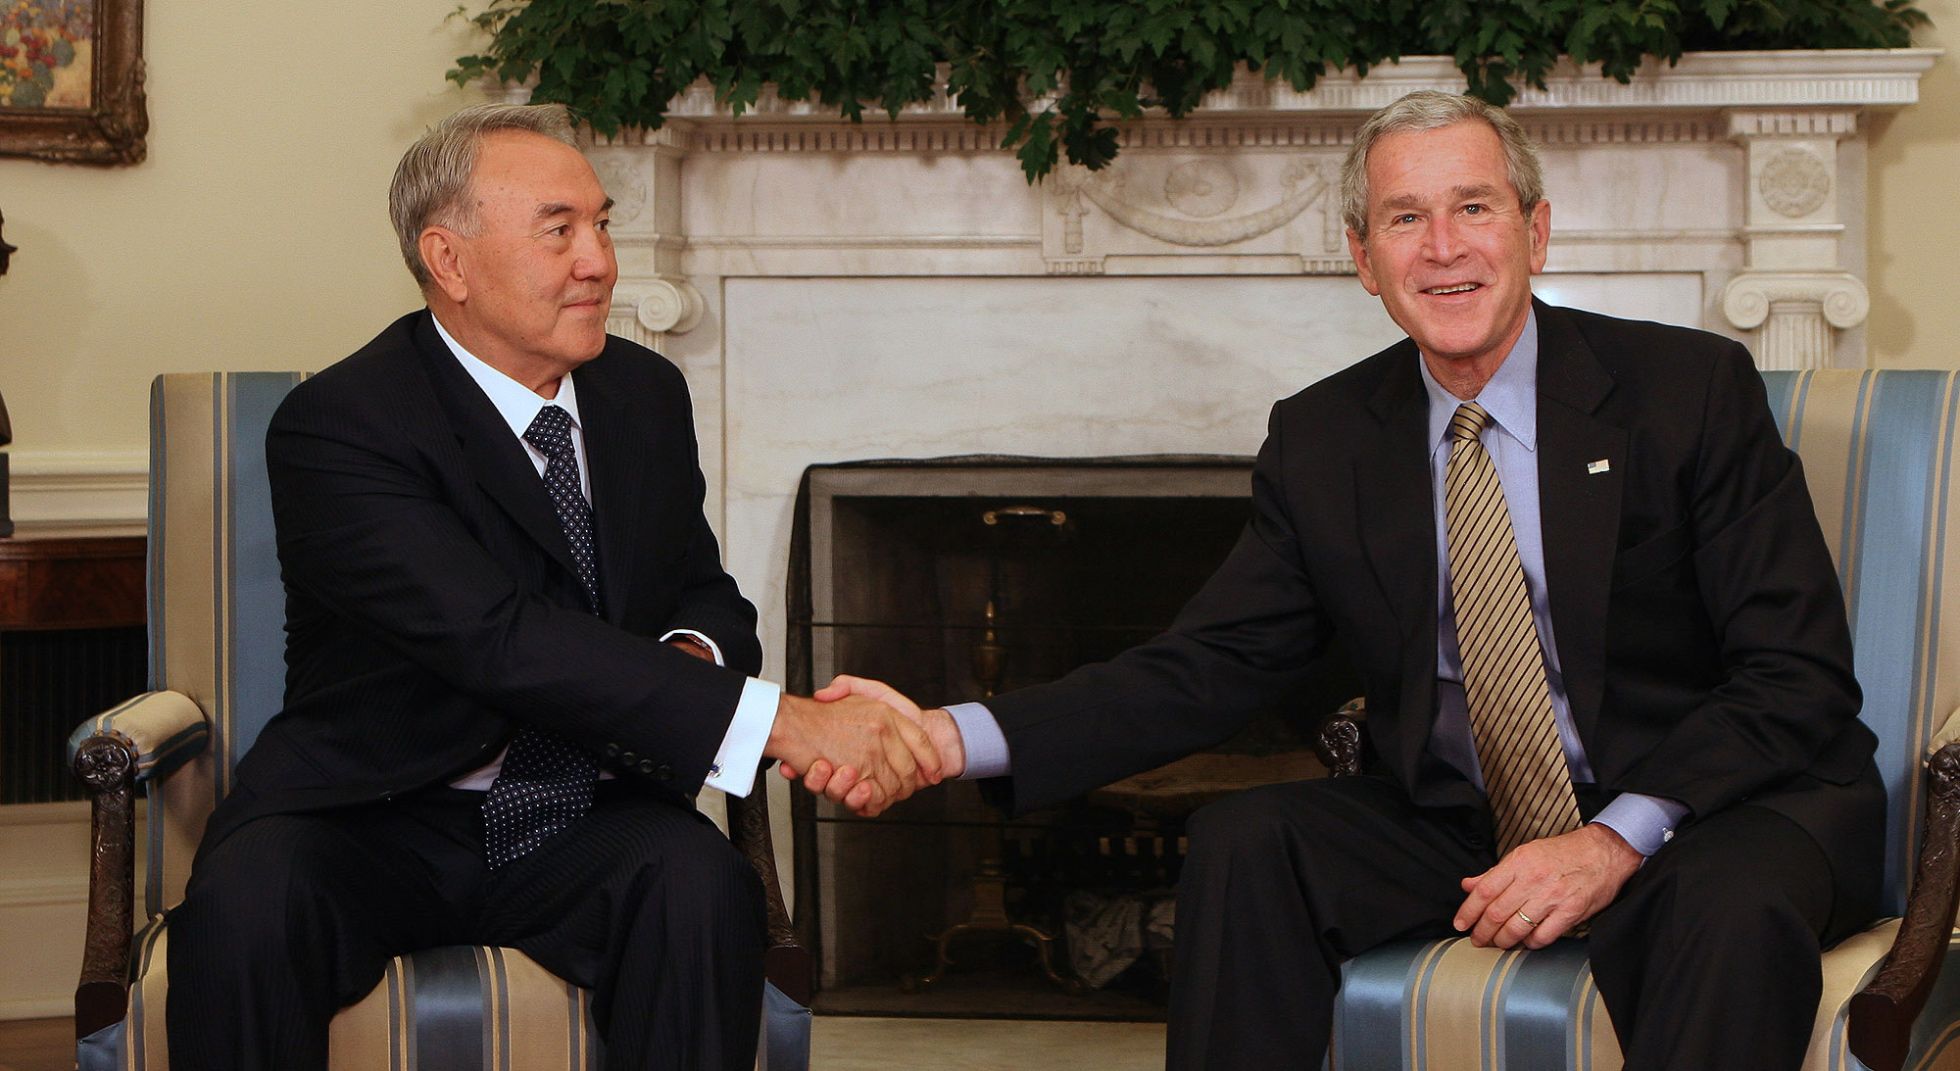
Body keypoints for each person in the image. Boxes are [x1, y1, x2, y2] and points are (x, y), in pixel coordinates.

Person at [799, 90, 1885, 1069]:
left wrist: (1613, 839)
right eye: (1405, 219)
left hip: (1713, 809)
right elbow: (1206, 666)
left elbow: (1794, 675)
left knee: (1725, 905)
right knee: (1248, 841)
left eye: (1473, 207)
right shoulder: (1324, 439)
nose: (1443, 247)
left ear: (1535, 230)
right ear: (1365, 259)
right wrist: (944, 737)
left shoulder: (1685, 390)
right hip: (1467, 820)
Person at [164, 102, 939, 1071]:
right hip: (371, 812)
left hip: (584, 811)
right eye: (559, 231)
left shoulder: (643, 395)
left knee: (702, 886)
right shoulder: (344, 423)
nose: (600, 262)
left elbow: (703, 592)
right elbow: (497, 639)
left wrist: (687, 661)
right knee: (247, 905)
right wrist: (780, 723)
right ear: (448, 260)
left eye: (603, 225)